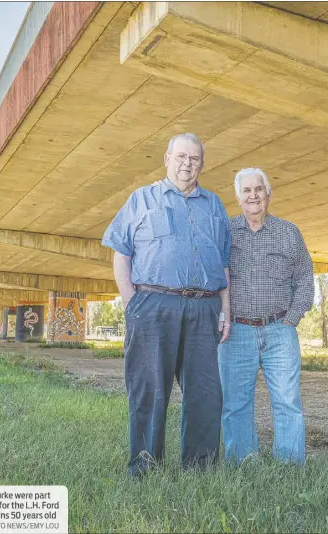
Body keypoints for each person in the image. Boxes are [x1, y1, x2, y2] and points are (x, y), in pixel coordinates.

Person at [102, 132, 231, 477]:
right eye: (181, 156)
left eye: (194, 158)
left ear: (202, 164)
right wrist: (133, 304)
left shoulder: (215, 205)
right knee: (149, 390)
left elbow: (225, 264)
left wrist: (226, 310)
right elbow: (121, 255)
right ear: (167, 158)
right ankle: (145, 467)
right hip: (153, 306)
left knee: (206, 393)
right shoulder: (141, 200)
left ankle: (200, 468)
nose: (187, 163)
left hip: (204, 309)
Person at [218, 168, 315, 465]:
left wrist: (293, 317)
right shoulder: (225, 231)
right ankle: (242, 463)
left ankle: (288, 465)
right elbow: (211, 274)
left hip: (279, 330)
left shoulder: (289, 232)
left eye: (258, 189)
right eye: (246, 191)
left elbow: (305, 277)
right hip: (236, 332)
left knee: (287, 401)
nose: (253, 195)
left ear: (268, 193)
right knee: (235, 404)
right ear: (238, 197)